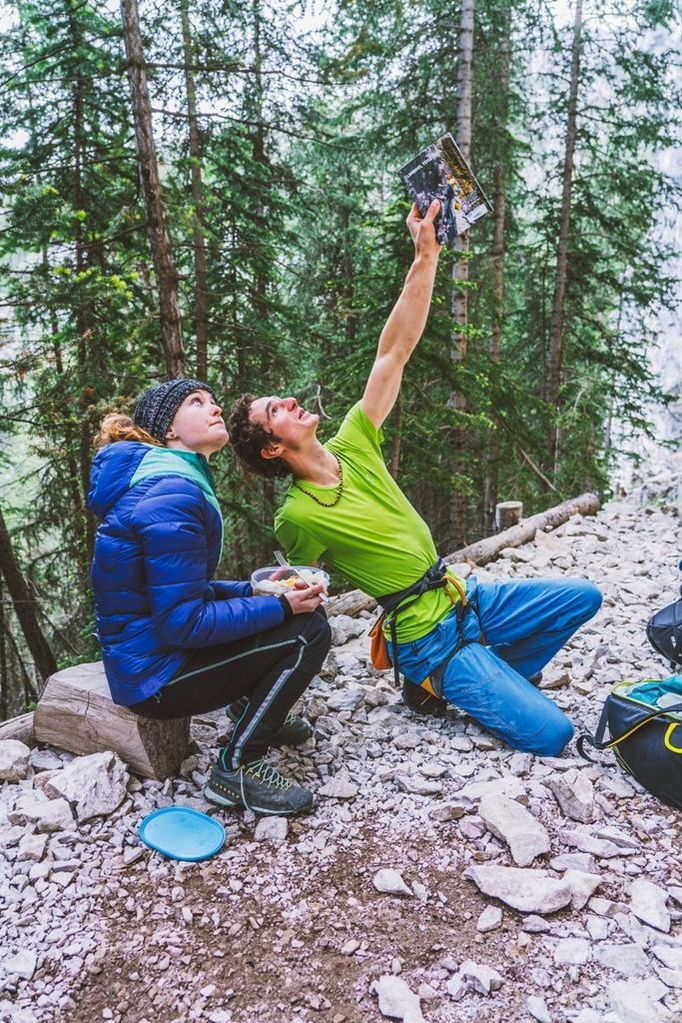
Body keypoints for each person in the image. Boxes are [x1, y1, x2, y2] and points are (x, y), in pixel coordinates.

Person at [227, 201, 603, 757]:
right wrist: (255, 678)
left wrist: (426, 255)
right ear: (272, 446)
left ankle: (483, 677)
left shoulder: (352, 439)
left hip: (465, 598)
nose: (290, 399)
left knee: (582, 597)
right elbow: (295, 594)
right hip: (425, 635)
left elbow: (393, 352)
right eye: (275, 409)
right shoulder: (297, 515)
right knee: (555, 735)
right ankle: (434, 680)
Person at [88, 378, 331, 816]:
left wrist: (258, 591)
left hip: (148, 660)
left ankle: (250, 709)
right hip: (155, 678)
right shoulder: (172, 492)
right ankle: (237, 767)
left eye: (212, 400)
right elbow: (183, 622)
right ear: (168, 432)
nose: (214, 408)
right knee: (306, 632)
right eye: (196, 403)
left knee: (289, 617)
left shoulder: (168, 481)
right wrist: (278, 605)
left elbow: (185, 592)